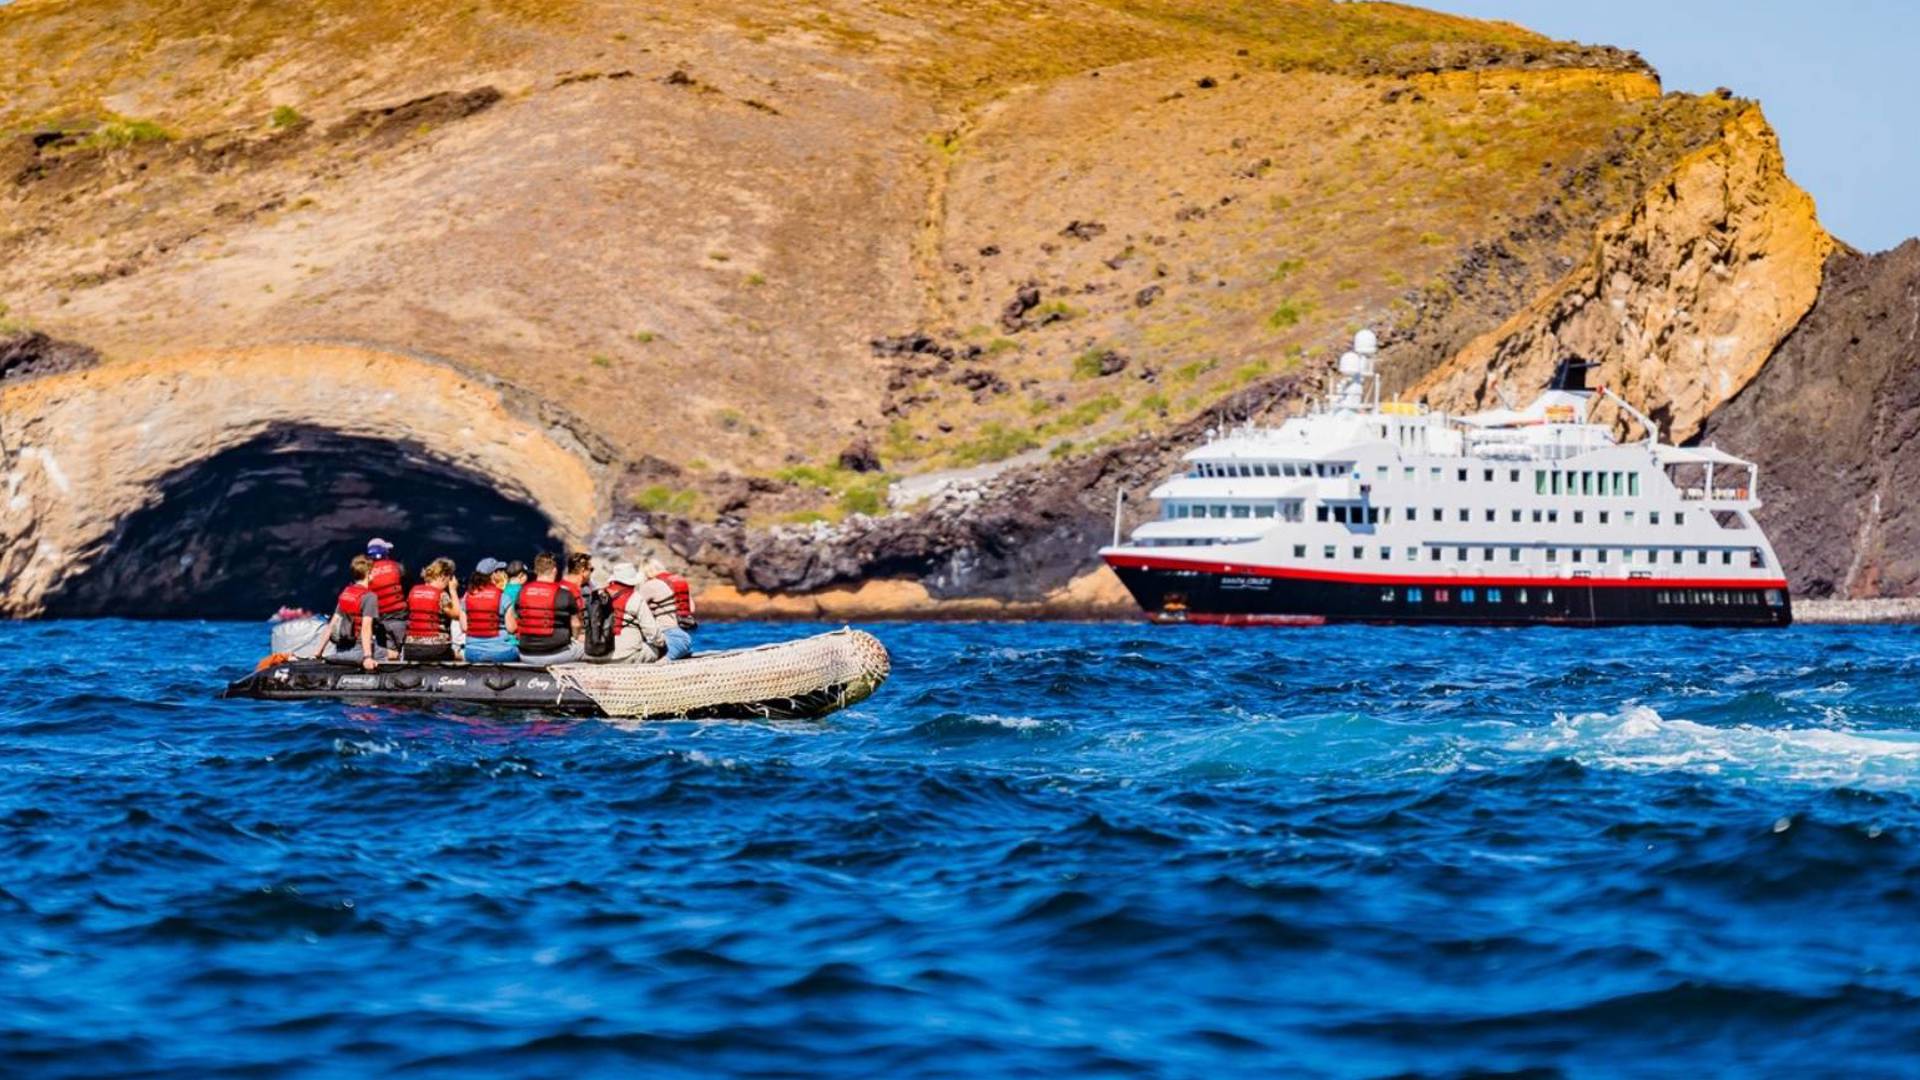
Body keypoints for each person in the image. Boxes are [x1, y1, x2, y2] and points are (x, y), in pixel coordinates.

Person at [314, 554, 381, 671]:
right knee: (393, 654)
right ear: (368, 573)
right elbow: (366, 628)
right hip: (360, 651)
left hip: (340, 650)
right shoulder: (370, 597)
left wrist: (318, 652)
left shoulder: (347, 593)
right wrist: (368, 657)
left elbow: (332, 625)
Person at [516, 552, 584, 666]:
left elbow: (517, 618)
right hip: (557, 654)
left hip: (525, 655)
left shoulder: (522, 592)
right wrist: (575, 638)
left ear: (536, 571)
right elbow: (576, 624)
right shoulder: (565, 594)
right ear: (554, 571)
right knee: (584, 648)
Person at [590, 563, 666, 663]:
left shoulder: (597, 595)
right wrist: (662, 643)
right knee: (655, 650)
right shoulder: (636, 598)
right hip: (626, 655)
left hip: (597, 654)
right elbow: (652, 631)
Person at [402, 557, 465, 662]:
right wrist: (453, 590)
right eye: (449, 577)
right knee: (460, 656)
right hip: (436, 649)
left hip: (411, 648)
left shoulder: (413, 591)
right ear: (442, 576)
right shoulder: (441, 595)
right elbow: (457, 614)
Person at [462, 567, 519, 663]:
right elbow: (511, 628)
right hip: (502, 653)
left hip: (473, 653)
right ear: (492, 577)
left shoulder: (466, 598)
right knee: (517, 651)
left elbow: (464, 627)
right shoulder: (504, 597)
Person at [642, 558, 694, 661]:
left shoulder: (650, 585)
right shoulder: (678, 582)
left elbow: (636, 606)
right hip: (686, 636)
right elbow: (691, 608)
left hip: (668, 637)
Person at [364, 538, 409, 652]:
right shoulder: (398, 567)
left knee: (387, 654)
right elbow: (408, 587)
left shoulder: (365, 573)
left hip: (378, 620)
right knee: (404, 651)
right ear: (385, 553)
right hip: (399, 617)